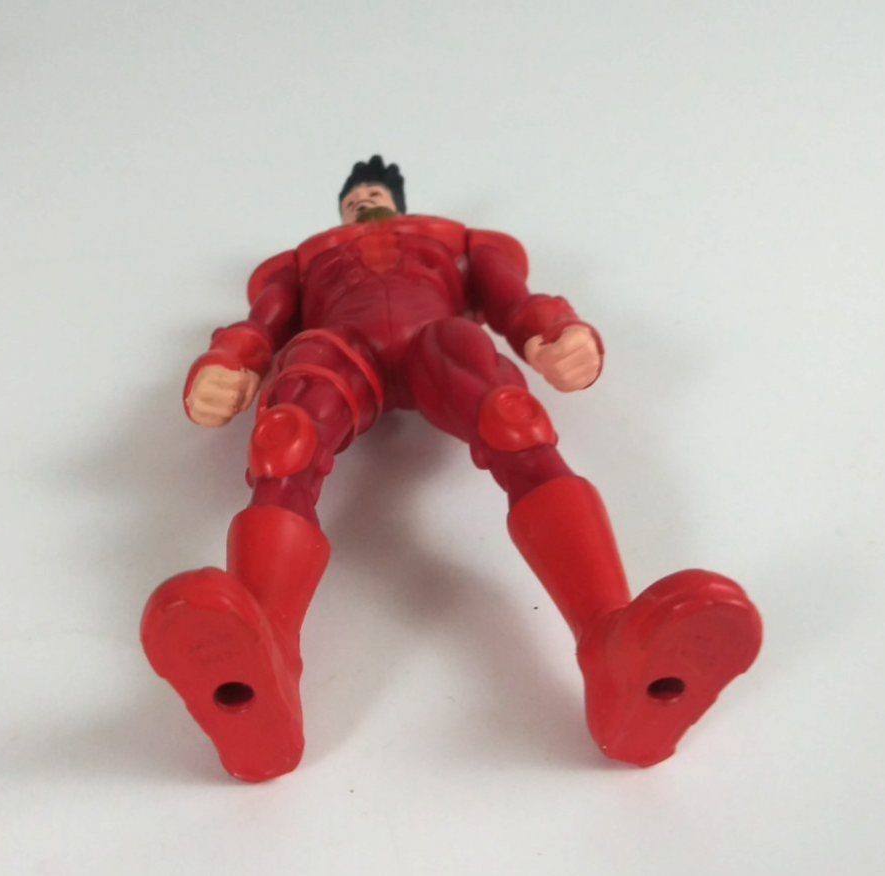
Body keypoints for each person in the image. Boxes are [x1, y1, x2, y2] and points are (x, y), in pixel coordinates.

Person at [141, 156, 762, 781]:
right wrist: (229, 363)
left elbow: (513, 301)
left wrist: (555, 333)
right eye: (354, 198)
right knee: (287, 440)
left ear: (398, 199)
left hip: (435, 343)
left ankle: (612, 643)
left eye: (373, 192)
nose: (364, 202)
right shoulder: (302, 261)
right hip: (340, 347)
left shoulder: (457, 241)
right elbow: (261, 324)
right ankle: (263, 651)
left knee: (513, 421)